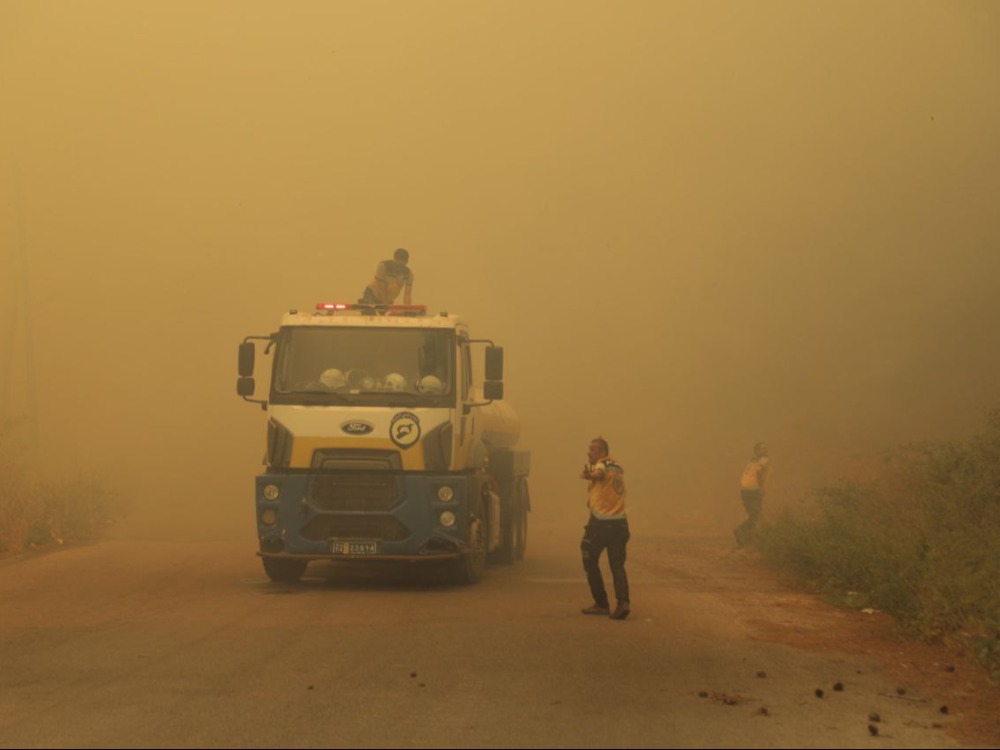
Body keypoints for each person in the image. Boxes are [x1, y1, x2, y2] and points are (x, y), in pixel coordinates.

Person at [579, 436, 631, 620]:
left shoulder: (600, 465)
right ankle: (623, 602)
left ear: (601, 452)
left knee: (587, 553)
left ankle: (601, 603)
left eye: (592, 449)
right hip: (621, 523)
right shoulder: (617, 466)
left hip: (601, 523)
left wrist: (589, 475)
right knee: (617, 564)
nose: (588, 452)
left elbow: (599, 474)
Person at [734, 441, 770, 547]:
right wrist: (761, 488)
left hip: (744, 491)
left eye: (766, 448)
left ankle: (746, 538)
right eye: (763, 448)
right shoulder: (764, 460)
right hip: (754, 490)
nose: (766, 450)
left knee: (753, 516)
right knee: (755, 516)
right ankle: (741, 530)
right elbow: (759, 473)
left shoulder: (752, 461)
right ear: (757, 450)